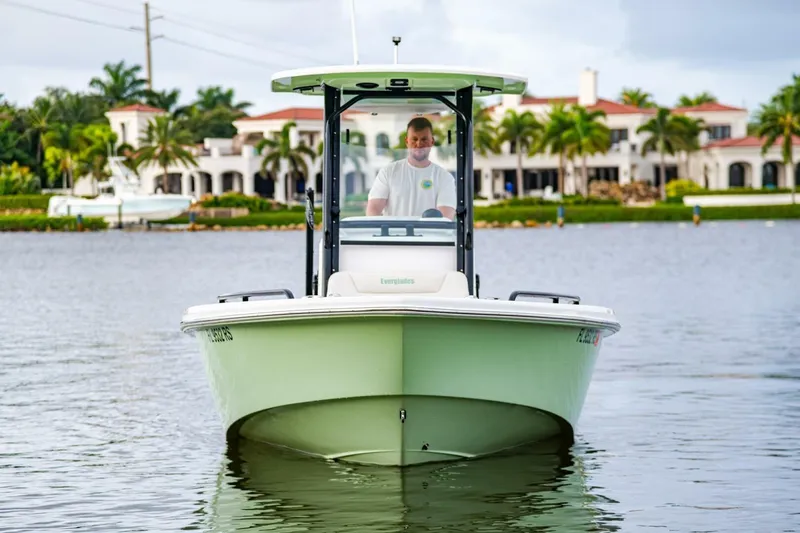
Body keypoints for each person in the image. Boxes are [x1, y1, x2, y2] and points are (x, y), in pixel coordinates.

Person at [365, 117, 456, 219]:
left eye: (424, 139)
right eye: (414, 139)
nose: (419, 144)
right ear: (407, 141)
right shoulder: (388, 172)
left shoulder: (445, 178)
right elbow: (373, 209)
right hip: (393, 234)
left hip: (429, 235)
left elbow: (445, 217)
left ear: (432, 141)